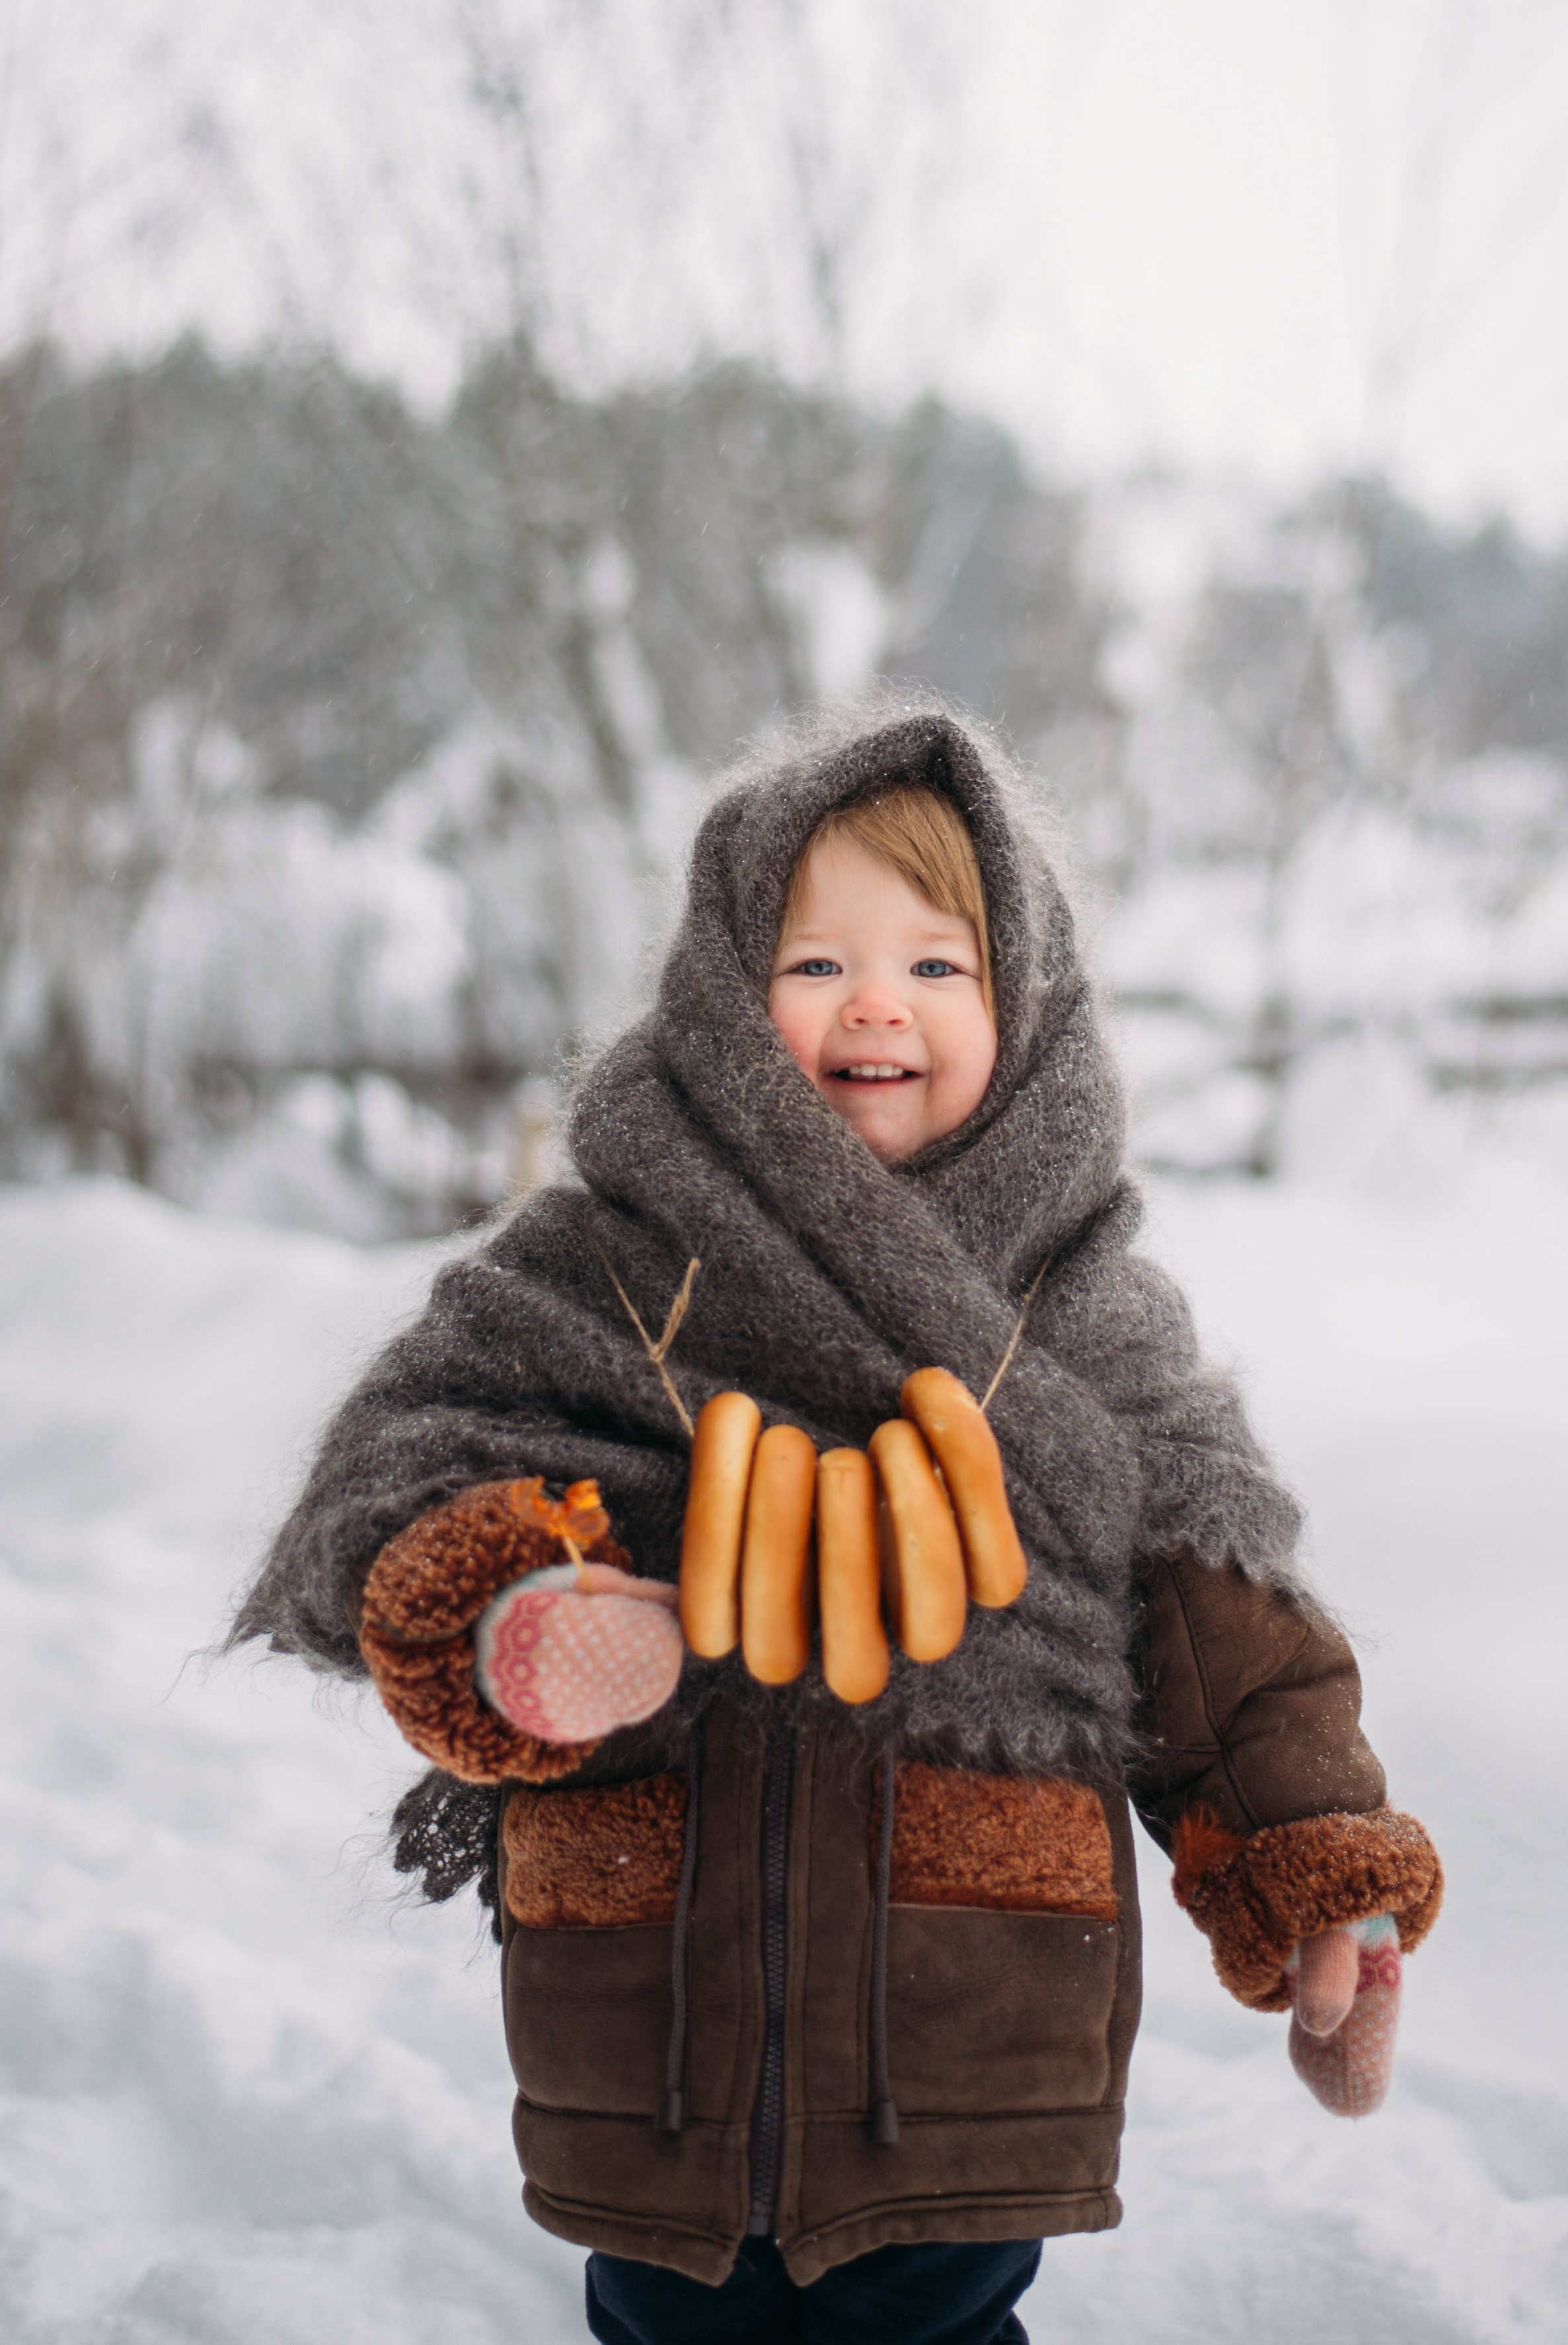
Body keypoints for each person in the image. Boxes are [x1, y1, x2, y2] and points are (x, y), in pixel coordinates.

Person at [233, 699, 1441, 2344]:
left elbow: (1226, 1636)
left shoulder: (1075, 1309)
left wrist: (1318, 1876)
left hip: (970, 2040)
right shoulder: (606, 1262)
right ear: (728, 1000)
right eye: (815, 964)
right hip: (649, 2038)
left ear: (1021, 1003)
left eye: (937, 964)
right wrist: (519, 1601)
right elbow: (390, 1483)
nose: (876, 1000)